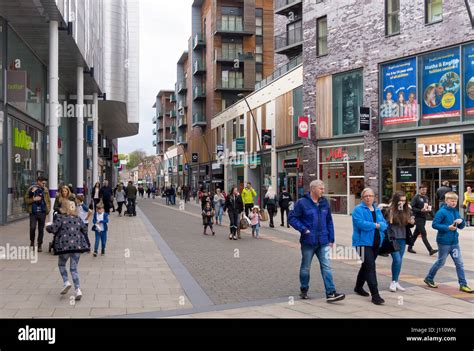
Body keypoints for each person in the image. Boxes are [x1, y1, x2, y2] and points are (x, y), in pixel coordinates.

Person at [288, 180, 345, 303]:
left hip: (323, 240)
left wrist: (331, 238)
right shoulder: (302, 203)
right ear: (313, 189)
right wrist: (304, 229)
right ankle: (304, 289)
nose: (323, 191)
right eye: (321, 188)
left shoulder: (324, 203)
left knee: (326, 266)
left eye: (323, 188)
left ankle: (331, 293)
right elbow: (292, 218)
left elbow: (329, 221)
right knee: (306, 267)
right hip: (308, 241)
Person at [424, 192, 473, 293]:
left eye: (455, 201)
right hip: (444, 242)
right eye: (452, 201)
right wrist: (447, 227)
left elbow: (461, 226)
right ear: (446, 201)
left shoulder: (455, 211)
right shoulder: (441, 212)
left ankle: (463, 284)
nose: (454, 203)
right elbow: (434, 224)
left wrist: (461, 221)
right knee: (441, 262)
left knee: (459, 263)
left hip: (454, 242)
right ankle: (429, 278)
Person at [46, 200, 90, 300]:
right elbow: (84, 229)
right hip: (77, 247)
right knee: (74, 269)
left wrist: (47, 226)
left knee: (61, 264)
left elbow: (53, 229)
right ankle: (78, 289)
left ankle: (66, 282)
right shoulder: (78, 218)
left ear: (63, 208)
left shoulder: (60, 218)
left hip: (64, 247)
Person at [352, 187, 388, 305]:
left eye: (370, 196)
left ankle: (358, 287)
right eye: (366, 196)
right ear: (362, 198)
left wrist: (378, 225)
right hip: (362, 243)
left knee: (366, 266)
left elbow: (384, 225)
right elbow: (361, 224)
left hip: (376, 243)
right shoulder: (358, 209)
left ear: (374, 197)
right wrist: (376, 225)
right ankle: (375, 295)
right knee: (370, 267)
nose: (368, 198)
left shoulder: (377, 210)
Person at [379, 192, 415, 293]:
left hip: (403, 237)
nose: (402, 203)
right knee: (397, 259)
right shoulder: (389, 210)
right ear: (395, 200)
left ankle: (395, 281)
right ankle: (393, 282)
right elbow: (386, 223)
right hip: (392, 238)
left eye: (404, 201)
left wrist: (411, 222)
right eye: (400, 201)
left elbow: (410, 224)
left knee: (399, 261)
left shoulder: (407, 209)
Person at [408, 185, 438, 255]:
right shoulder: (416, 197)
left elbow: (429, 208)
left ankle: (409, 247)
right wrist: (420, 210)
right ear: (419, 190)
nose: (424, 191)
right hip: (418, 218)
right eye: (423, 190)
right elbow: (412, 208)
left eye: (425, 190)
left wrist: (434, 217)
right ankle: (430, 250)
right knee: (423, 233)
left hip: (424, 217)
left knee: (416, 234)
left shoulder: (426, 197)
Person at [24, 176, 51, 252]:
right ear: (38, 181)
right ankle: (32, 241)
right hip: (33, 212)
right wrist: (33, 199)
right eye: (43, 183)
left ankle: (39, 245)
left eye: (45, 183)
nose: (44, 184)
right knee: (32, 228)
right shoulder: (31, 189)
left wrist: (47, 210)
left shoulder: (45, 190)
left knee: (41, 229)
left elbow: (48, 200)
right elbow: (26, 200)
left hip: (42, 212)